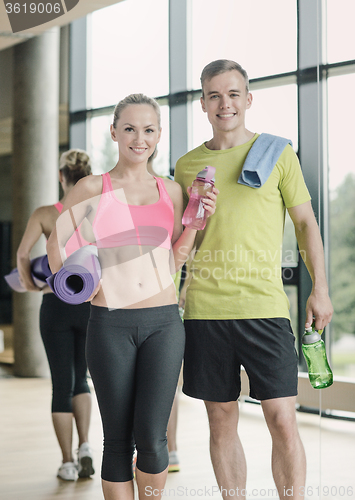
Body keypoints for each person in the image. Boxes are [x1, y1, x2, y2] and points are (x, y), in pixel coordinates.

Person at [174, 60, 333, 500]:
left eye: (232, 94)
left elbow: (306, 225)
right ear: (203, 103)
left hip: (264, 309)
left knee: (283, 418)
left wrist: (320, 289)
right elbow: (178, 240)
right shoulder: (187, 166)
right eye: (214, 95)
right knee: (221, 419)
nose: (224, 104)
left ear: (248, 99)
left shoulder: (278, 153)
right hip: (205, 309)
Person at [46, 93, 217, 500]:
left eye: (149, 130)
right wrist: (78, 288)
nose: (139, 139)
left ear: (158, 135)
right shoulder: (92, 187)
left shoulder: (172, 191)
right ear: (114, 132)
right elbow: (56, 244)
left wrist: (196, 220)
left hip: (163, 324)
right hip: (109, 325)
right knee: (118, 440)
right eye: (130, 129)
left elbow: (176, 257)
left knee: (154, 438)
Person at [16, 149, 95, 481]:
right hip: (90, 305)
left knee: (60, 384)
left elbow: (23, 254)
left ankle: (67, 462)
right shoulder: (96, 213)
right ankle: (86, 446)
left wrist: (30, 286)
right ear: (87, 175)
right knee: (82, 379)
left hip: (56, 305)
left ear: (61, 176)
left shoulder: (46, 213)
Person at [146, 148, 181, 473]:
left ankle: (169, 448)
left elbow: (180, 252)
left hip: (166, 308)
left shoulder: (170, 191)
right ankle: (171, 448)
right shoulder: (104, 190)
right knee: (165, 390)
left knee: (163, 388)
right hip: (121, 312)